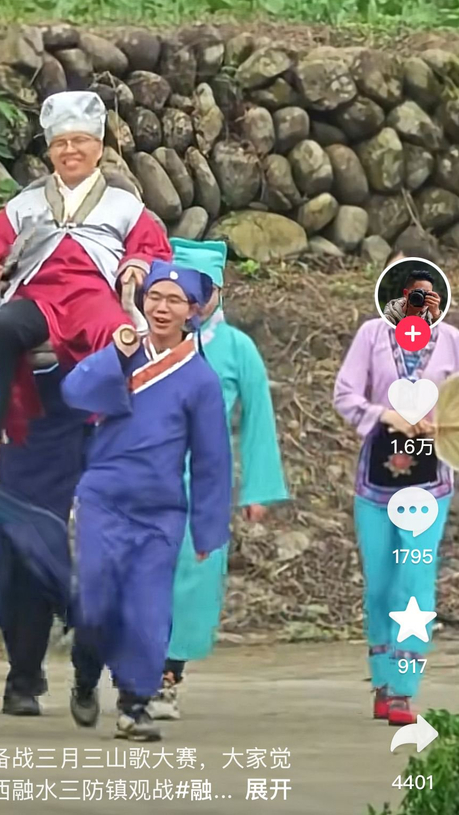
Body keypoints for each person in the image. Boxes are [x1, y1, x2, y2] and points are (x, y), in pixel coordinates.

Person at [61, 260, 232, 742]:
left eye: (174, 301)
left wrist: (208, 529)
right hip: (103, 499)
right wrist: (115, 354)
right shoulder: (124, 352)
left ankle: (134, 704)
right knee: (96, 600)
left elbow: (212, 458)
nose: (162, 307)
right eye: (155, 297)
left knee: (147, 609)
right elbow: (74, 391)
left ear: (192, 311)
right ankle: (85, 673)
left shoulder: (200, 379)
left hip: (160, 511)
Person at [0, 90, 171, 465]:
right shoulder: (26, 204)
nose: (70, 150)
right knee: (3, 328)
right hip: (38, 297)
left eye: (79, 141)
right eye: (60, 143)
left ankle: (117, 440)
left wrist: (136, 266)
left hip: (94, 297)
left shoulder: (124, 204)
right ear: (50, 151)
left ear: (99, 147)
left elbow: (152, 249)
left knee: (118, 337)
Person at [150, 238, 288, 721]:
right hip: (146, 475)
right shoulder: (152, 341)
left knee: (193, 577)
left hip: (204, 478)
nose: (191, 299)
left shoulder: (236, 348)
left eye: (200, 289)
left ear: (217, 292)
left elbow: (258, 419)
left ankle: (168, 677)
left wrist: (258, 489)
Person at [333, 313, 459, 726]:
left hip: (430, 483)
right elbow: (345, 394)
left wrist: (441, 425)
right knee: (381, 584)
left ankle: (404, 688)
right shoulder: (372, 335)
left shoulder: (452, 341)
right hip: (376, 480)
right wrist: (387, 415)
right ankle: (383, 682)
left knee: (415, 579)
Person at [0, 364, 88, 716]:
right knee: (6, 568)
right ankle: (25, 667)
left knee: (40, 564)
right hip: (6, 444)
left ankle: (23, 677)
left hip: (60, 442)